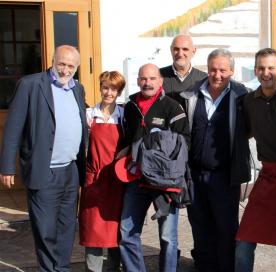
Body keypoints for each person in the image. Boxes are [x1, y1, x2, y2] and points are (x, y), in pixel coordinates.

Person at [0, 45, 87, 271]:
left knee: (67, 227)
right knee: (46, 229)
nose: (66, 70)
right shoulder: (31, 84)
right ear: (52, 60)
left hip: (70, 170)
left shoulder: (78, 89)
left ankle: (62, 268)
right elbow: (12, 128)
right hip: (44, 170)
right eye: (62, 64)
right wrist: (7, 166)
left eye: (71, 66)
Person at [180, 48, 251, 272]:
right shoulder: (192, 95)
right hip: (195, 175)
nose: (217, 75)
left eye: (222, 70)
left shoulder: (242, 96)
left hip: (224, 176)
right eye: (212, 69)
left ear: (232, 71)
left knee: (226, 230)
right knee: (200, 229)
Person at [119, 63, 190, 272]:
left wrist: (161, 153)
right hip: (136, 179)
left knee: (168, 237)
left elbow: (185, 141)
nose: (147, 83)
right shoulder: (130, 105)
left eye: (151, 78)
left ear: (160, 81)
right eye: (142, 78)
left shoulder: (172, 106)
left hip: (164, 181)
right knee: (126, 232)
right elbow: (124, 136)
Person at [235, 48, 276, 272]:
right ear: (255, 70)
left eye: (271, 67)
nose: (266, 72)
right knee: (244, 239)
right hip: (267, 177)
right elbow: (243, 132)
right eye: (261, 68)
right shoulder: (248, 101)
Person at [78, 71, 126, 272]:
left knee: (115, 227)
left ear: (119, 91)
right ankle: (93, 269)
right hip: (94, 179)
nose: (109, 92)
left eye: (114, 89)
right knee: (93, 228)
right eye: (105, 87)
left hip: (116, 181)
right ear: (100, 88)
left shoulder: (123, 115)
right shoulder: (89, 115)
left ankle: (114, 267)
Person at [160, 34, 206, 103]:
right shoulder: (157, 76)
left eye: (185, 49)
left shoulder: (204, 79)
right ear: (171, 50)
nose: (180, 54)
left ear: (193, 51)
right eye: (176, 49)